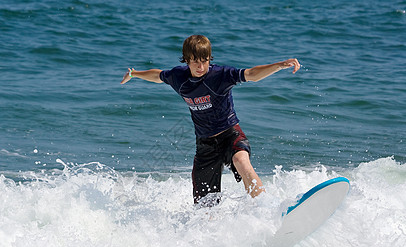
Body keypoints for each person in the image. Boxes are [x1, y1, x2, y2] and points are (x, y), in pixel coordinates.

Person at [121, 35, 300, 206]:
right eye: (195, 61)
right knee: (205, 207)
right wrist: (135, 74)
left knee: (241, 162)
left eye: (204, 61)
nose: (200, 66)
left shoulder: (220, 75)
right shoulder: (179, 77)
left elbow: (252, 74)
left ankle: (266, 208)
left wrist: (280, 65)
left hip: (231, 134)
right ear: (186, 60)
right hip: (205, 145)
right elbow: (158, 76)